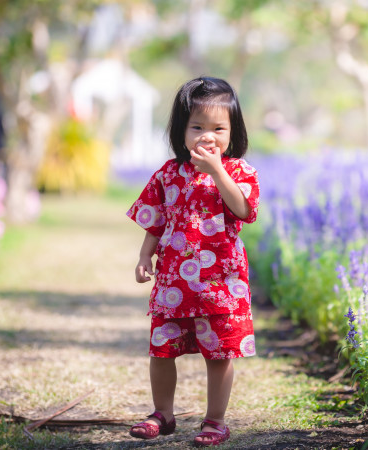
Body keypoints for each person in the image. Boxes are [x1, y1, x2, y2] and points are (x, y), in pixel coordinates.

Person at [126, 76, 259, 447]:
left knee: (220, 353)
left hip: (221, 283)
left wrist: (217, 171)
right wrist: (144, 255)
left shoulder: (238, 172)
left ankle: (215, 420)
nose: (208, 136)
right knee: (161, 349)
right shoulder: (168, 174)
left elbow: (244, 210)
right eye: (197, 126)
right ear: (181, 130)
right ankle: (162, 413)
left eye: (219, 128)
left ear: (234, 132)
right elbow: (156, 219)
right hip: (174, 283)